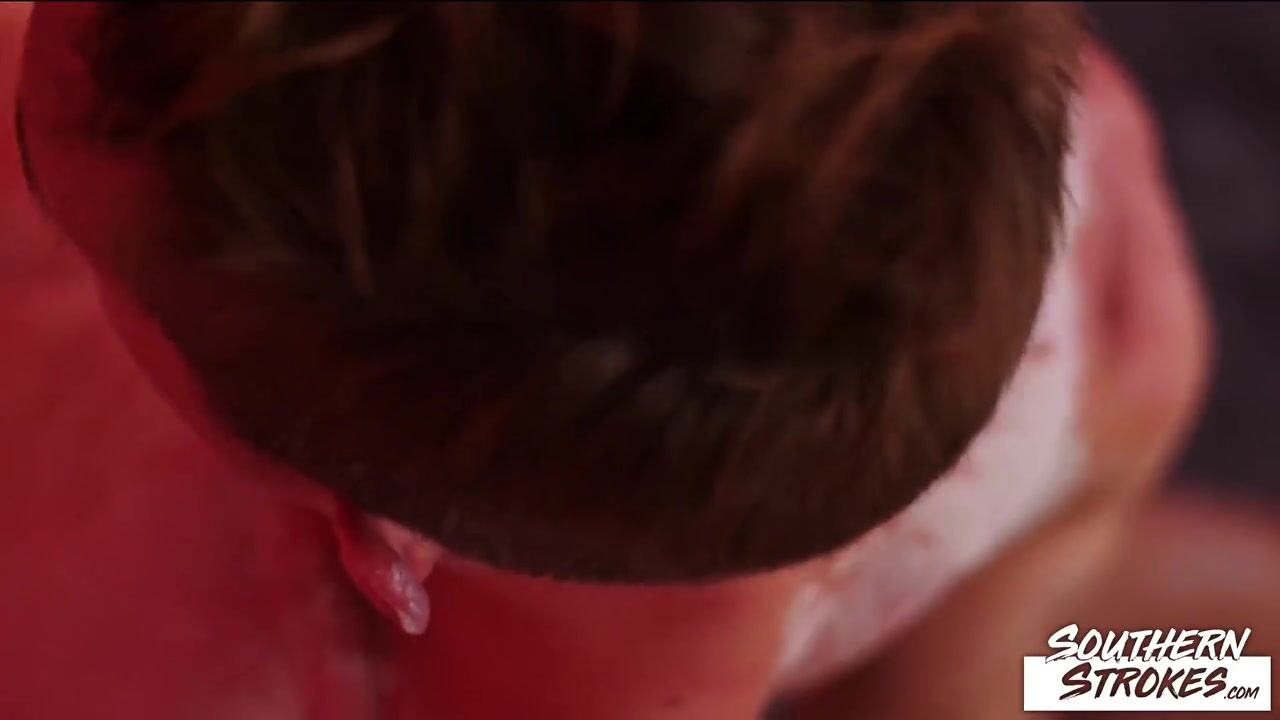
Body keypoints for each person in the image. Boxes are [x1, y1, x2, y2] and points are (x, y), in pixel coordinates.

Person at [4, 3, 1259, 719]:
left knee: (996, 678)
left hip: (973, 500)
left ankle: (1225, 670)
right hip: (1065, 277)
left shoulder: (636, 644)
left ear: (386, 550)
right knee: (1058, 597)